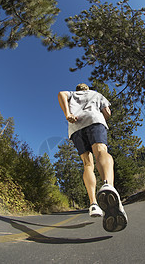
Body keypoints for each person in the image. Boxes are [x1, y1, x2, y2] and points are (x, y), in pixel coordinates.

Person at [58, 83, 128, 232]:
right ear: (87, 89)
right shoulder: (96, 94)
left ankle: (93, 204)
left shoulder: (72, 94)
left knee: (87, 164)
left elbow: (61, 94)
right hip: (94, 120)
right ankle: (108, 185)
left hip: (75, 126)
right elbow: (107, 112)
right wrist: (104, 114)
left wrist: (67, 114)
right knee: (101, 152)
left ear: (77, 90)